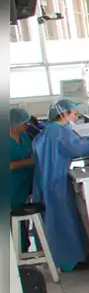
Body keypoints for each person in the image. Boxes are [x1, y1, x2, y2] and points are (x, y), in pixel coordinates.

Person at [32, 99, 89, 272]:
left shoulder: (48, 130)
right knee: (62, 219)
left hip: (46, 180)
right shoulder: (60, 132)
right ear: (64, 114)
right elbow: (77, 149)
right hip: (55, 182)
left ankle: (63, 257)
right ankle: (69, 261)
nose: (76, 118)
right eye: (74, 114)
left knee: (54, 219)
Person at [10, 108, 37, 253]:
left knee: (23, 221)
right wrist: (29, 162)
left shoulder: (25, 138)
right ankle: (16, 253)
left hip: (25, 185)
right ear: (14, 124)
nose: (27, 126)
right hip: (11, 187)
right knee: (12, 223)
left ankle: (24, 249)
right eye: (24, 123)